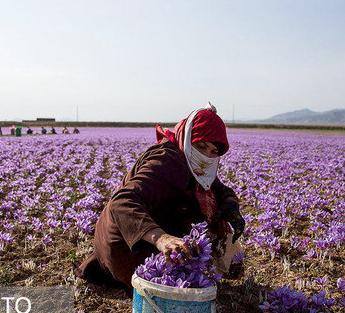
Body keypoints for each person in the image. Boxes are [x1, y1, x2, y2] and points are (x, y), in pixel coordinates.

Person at [74, 103, 245, 291]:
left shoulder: (196, 164)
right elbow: (122, 202)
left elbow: (218, 188)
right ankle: (157, 277)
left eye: (213, 152)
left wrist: (230, 207)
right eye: (201, 146)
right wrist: (162, 239)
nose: (206, 156)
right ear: (187, 139)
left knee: (215, 234)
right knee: (195, 236)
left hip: (142, 239)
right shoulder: (166, 161)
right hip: (125, 247)